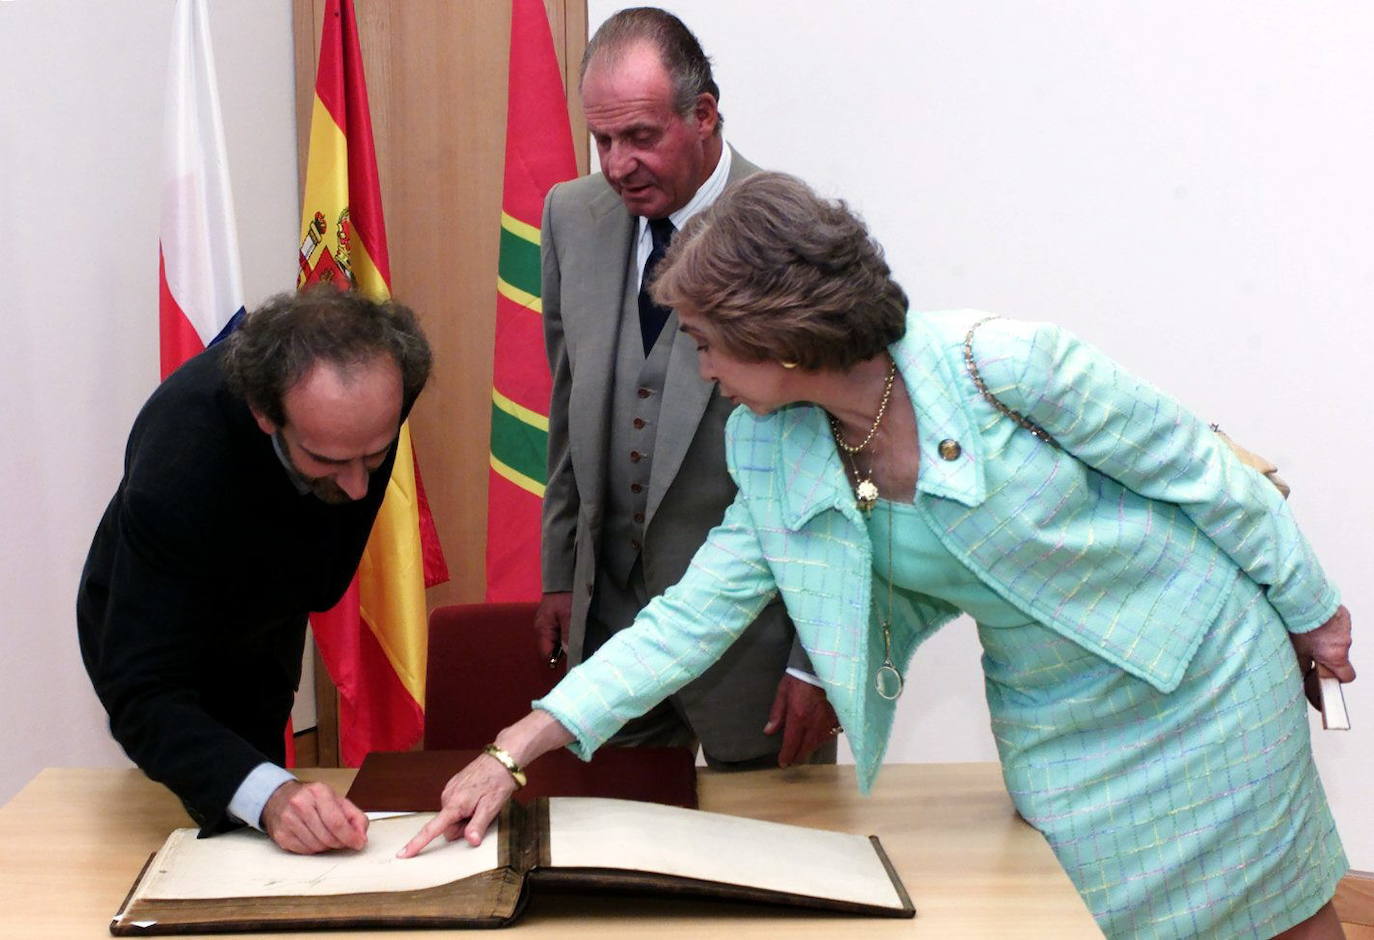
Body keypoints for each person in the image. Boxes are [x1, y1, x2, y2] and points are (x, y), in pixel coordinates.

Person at [404, 173, 1355, 938]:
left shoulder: (1003, 364)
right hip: (1059, 728)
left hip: (1201, 679)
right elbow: (690, 620)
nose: (701, 371)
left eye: (706, 345)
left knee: (1283, 910)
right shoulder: (773, 447)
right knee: (1087, 919)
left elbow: (1200, 470)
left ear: (773, 338)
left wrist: (1314, 613)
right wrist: (514, 748)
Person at [537, 7, 837, 768]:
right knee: (617, 854)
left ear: (703, 116)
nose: (616, 163)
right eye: (602, 139)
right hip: (610, 631)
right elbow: (568, 407)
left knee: (777, 870)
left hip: (755, 647)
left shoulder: (787, 226)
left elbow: (836, 459)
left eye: (641, 137)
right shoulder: (571, 216)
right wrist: (559, 570)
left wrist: (816, 658)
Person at [78, 288, 432, 856]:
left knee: (274, 823)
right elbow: (142, 690)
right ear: (265, 413)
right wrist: (267, 796)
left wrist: (271, 790)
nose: (358, 488)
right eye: (329, 459)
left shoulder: (378, 396)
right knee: (227, 813)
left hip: (270, 621)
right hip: (162, 630)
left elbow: (313, 575)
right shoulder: (178, 469)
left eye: (375, 454)